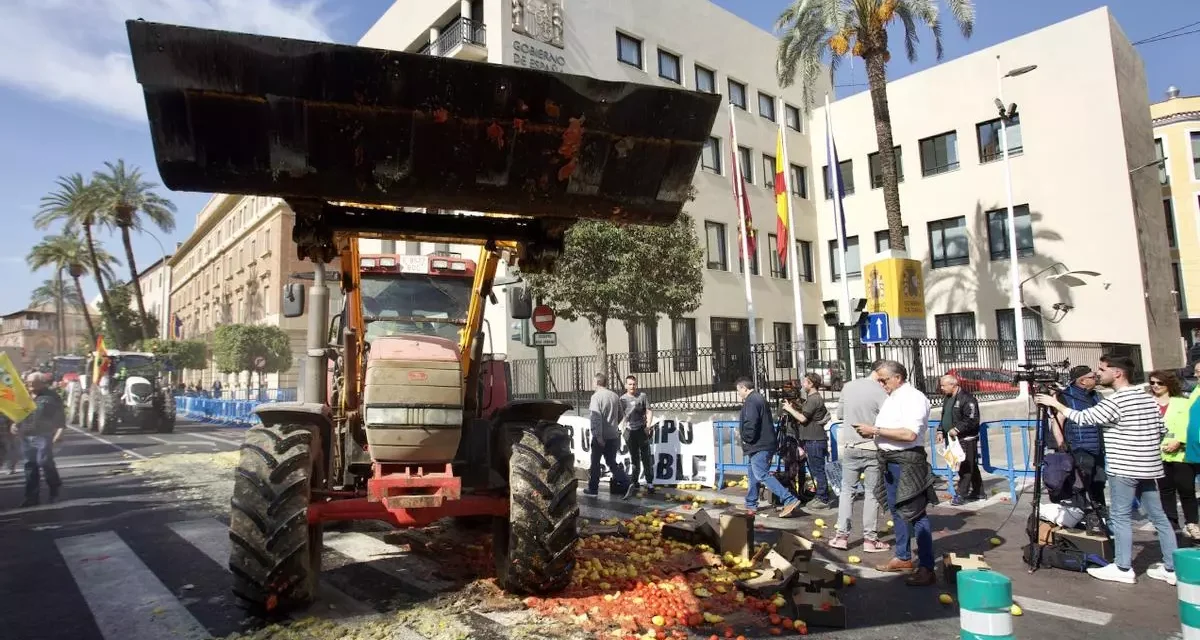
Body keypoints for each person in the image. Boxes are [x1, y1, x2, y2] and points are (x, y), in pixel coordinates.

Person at [1035, 356, 1176, 585]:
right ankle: (1171, 567)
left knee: (1120, 517)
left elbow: (1084, 418)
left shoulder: (1116, 400)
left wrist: (1055, 403)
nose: (1098, 374)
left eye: (1102, 369)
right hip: (1148, 467)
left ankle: (1122, 567)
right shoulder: (1147, 398)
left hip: (1124, 468)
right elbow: (1161, 430)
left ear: (1117, 373)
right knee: (1159, 517)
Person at [853, 360, 938, 586]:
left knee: (916, 513)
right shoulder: (893, 397)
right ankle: (903, 556)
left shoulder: (914, 398)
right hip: (891, 461)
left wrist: (875, 430)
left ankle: (927, 567)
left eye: (884, 380)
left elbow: (909, 434)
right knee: (897, 511)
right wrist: (874, 434)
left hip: (907, 462)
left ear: (897, 378)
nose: (881, 384)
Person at [828, 360, 889, 553]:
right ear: (880, 373)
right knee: (872, 493)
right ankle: (870, 539)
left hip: (851, 446)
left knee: (847, 491)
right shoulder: (882, 391)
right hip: (873, 447)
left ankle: (841, 537)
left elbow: (840, 414)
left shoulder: (848, 386)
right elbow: (889, 418)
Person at [1051, 365, 1107, 528]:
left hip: (1097, 448)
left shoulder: (1097, 395)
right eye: (1093, 377)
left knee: (1098, 483)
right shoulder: (1066, 396)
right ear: (1082, 380)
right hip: (1078, 448)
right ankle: (1080, 517)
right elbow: (1058, 421)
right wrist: (1061, 443)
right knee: (1080, 485)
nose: (1096, 379)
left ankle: (1100, 517)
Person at [737, 377, 800, 517]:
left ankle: (789, 499)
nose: (738, 393)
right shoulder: (758, 398)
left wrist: (746, 438)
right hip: (761, 444)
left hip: (759, 444)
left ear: (744, 388)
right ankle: (751, 503)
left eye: (738, 390)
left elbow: (751, 422)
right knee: (752, 473)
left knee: (761, 474)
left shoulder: (752, 401)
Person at [1149, 369, 1199, 538]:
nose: (1156, 386)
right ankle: (1171, 523)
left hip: (1181, 453)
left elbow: (1189, 424)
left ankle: (1192, 523)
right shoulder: (1148, 403)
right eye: (1152, 383)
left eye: (1160, 382)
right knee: (1165, 490)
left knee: (1186, 490)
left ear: (1169, 384)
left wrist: (1179, 440)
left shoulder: (1182, 402)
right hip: (1159, 454)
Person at [781, 373, 833, 509]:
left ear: (811, 384)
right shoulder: (812, 399)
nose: (802, 385)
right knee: (817, 470)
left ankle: (822, 498)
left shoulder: (813, 399)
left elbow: (802, 418)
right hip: (813, 439)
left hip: (814, 440)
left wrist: (789, 409)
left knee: (818, 471)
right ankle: (821, 496)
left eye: (805, 382)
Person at [15, 372, 66, 507]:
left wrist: (60, 431)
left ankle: (54, 488)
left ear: (42, 383)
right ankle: (31, 497)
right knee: (30, 465)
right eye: (28, 382)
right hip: (26, 435)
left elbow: (60, 415)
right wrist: (14, 424)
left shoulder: (51, 397)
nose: (30, 385)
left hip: (44, 434)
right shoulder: (23, 396)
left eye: (33, 382)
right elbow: (17, 412)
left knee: (44, 461)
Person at [936, 375, 982, 506]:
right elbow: (945, 415)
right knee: (970, 465)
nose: (941, 388)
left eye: (944, 385)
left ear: (953, 385)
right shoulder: (948, 398)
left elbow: (972, 419)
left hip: (966, 438)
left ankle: (961, 494)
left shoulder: (967, 399)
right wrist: (940, 430)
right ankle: (979, 491)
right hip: (952, 439)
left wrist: (957, 429)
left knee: (965, 466)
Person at [584, 373, 630, 498]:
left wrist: (598, 436)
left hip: (601, 436)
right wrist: (613, 425)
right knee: (611, 462)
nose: (592, 384)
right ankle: (626, 482)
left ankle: (593, 489)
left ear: (597, 383)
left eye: (593, 382)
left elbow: (596, 418)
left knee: (595, 463)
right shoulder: (614, 396)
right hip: (613, 435)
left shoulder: (596, 397)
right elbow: (621, 415)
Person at [620, 375, 655, 499]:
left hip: (641, 430)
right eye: (630, 384)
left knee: (646, 456)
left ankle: (650, 483)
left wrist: (648, 426)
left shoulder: (642, 396)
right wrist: (623, 429)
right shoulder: (622, 399)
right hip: (629, 432)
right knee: (634, 458)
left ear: (637, 385)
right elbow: (621, 416)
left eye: (634, 384)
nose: (632, 386)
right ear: (626, 385)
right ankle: (635, 482)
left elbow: (649, 411)